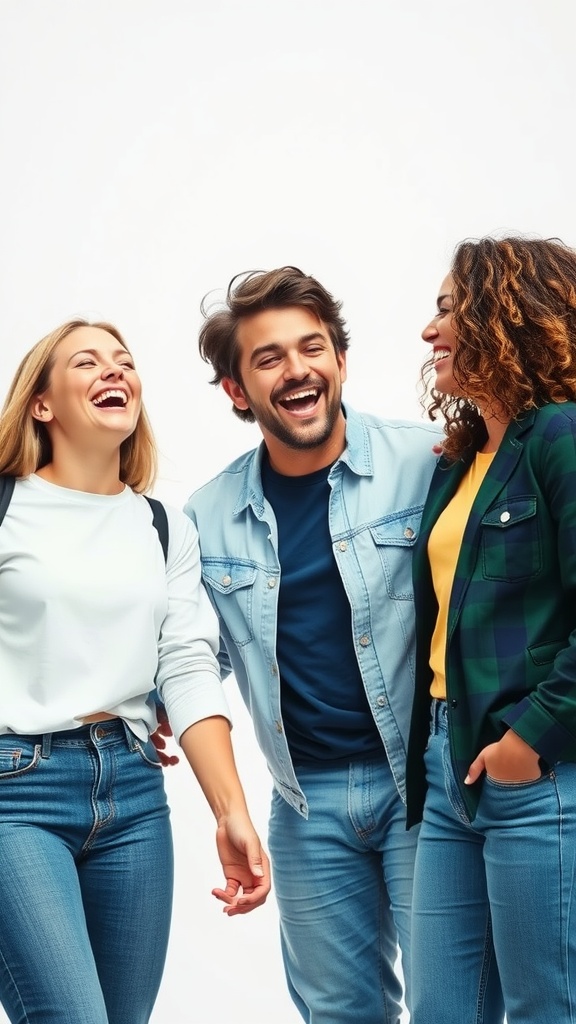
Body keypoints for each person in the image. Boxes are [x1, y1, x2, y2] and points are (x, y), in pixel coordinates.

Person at [184, 266, 440, 1024]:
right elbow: (198, 653)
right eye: (268, 358)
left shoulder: (429, 464)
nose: (297, 369)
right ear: (238, 390)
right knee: (339, 1013)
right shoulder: (210, 514)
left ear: (339, 361)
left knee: (453, 1002)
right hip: (305, 803)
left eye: (312, 348)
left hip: (424, 787)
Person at [0, 318, 270, 1024]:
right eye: (86, 362)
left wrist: (231, 811)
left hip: (132, 797)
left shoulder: (162, 525)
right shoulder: (7, 508)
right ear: (42, 403)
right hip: (14, 795)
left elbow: (185, 666)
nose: (113, 372)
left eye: (124, 362)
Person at [406, 235, 576, 1024]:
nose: (429, 330)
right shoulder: (463, 457)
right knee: (440, 1010)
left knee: (549, 1006)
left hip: (538, 769)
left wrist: (529, 741)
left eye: (447, 309)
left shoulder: (562, 437)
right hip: (450, 769)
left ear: (505, 315)